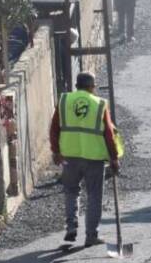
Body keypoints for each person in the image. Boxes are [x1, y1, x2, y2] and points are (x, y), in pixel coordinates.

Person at [50, 72, 121, 247]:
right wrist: (114, 158)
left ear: (77, 85)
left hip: (70, 156)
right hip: (94, 158)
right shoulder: (99, 104)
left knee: (71, 192)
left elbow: (54, 128)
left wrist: (56, 151)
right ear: (92, 86)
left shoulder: (64, 100)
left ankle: (71, 227)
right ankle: (91, 235)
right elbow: (109, 135)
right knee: (94, 196)